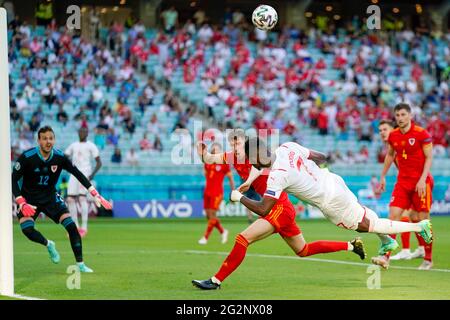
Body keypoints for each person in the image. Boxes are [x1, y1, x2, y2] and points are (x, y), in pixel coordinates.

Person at [192, 131, 367, 290]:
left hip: (278, 207)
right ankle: (351, 245)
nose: (234, 147)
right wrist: (203, 154)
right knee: (303, 250)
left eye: (237, 144)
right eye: (232, 144)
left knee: (243, 238)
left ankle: (215, 280)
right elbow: (210, 159)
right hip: (280, 208)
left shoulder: (258, 158)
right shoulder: (232, 157)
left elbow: (258, 169)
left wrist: (246, 185)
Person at [227, 137, 432, 272]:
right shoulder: (287, 147)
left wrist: (239, 197)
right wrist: (318, 174)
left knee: (370, 224)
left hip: (330, 202)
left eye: (250, 159)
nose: (250, 163)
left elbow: (263, 208)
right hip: (333, 180)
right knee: (365, 215)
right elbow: (321, 157)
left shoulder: (276, 177)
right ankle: (386, 241)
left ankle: (418, 227)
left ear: (256, 156)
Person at [12, 126, 112, 273]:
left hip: (50, 197)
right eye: (44, 138)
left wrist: (95, 193)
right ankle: (48, 244)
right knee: (27, 230)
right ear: (38, 140)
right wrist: (21, 201)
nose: (48, 141)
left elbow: (77, 173)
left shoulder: (59, 157)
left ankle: (80, 264)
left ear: (54, 140)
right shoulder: (27, 157)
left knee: (71, 226)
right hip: (29, 199)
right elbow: (13, 178)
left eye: (51, 138)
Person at [374, 103, 434, 270]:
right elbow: (390, 154)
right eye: (397, 115)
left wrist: (423, 179)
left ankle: (428, 258)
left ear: (410, 115)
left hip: (421, 183)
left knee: (422, 220)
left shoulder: (422, 134)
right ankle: (385, 257)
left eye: (402, 114)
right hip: (402, 183)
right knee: (392, 217)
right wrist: (383, 176)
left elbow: (429, 158)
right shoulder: (393, 136)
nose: (400, 118)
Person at [65, 127, 102, 238]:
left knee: (82, 198)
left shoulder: (91, 145)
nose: (82, 133)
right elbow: (64, 157)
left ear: (87, 133)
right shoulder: (73, 145)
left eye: (84, 131)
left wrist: (92, 175)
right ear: (78, 132)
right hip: (73, 174)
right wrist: (67, 166)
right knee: (70, 199)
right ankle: (75, 226)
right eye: (80, 131)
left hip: (85, 173)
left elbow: (99, 162)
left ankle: (84, 227)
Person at [198, 143, 235, 245]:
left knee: (212, 214)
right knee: (208, 216)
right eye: (213, 150)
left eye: (217, 150)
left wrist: (233, 191)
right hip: (207, 192)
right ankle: (223, 232)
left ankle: (205, 238)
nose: (215, 152)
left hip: (217, 192)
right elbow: (206, 175)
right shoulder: (207, 162)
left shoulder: (224, 164)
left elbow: (230, 178)